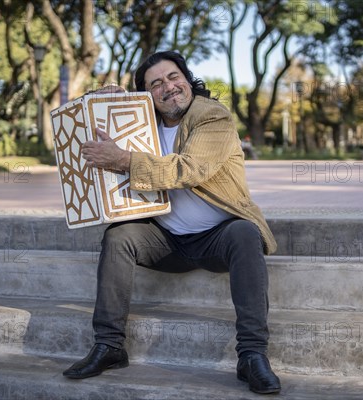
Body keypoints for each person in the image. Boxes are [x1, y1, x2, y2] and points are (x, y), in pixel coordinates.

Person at [62, 51, 281, 395]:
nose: (169, 87)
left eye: (174, 76)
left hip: (217, 240)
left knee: (244, 232)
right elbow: (80, 123)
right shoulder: (142, 117)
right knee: (119, 235)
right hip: (166, 240)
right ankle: (109, 346)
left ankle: (252, 355)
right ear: (147, 94)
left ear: (187, 78)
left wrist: (123, 160)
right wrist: (96, 98)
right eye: (156, 83)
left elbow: (189, 169)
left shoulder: (212, 116)